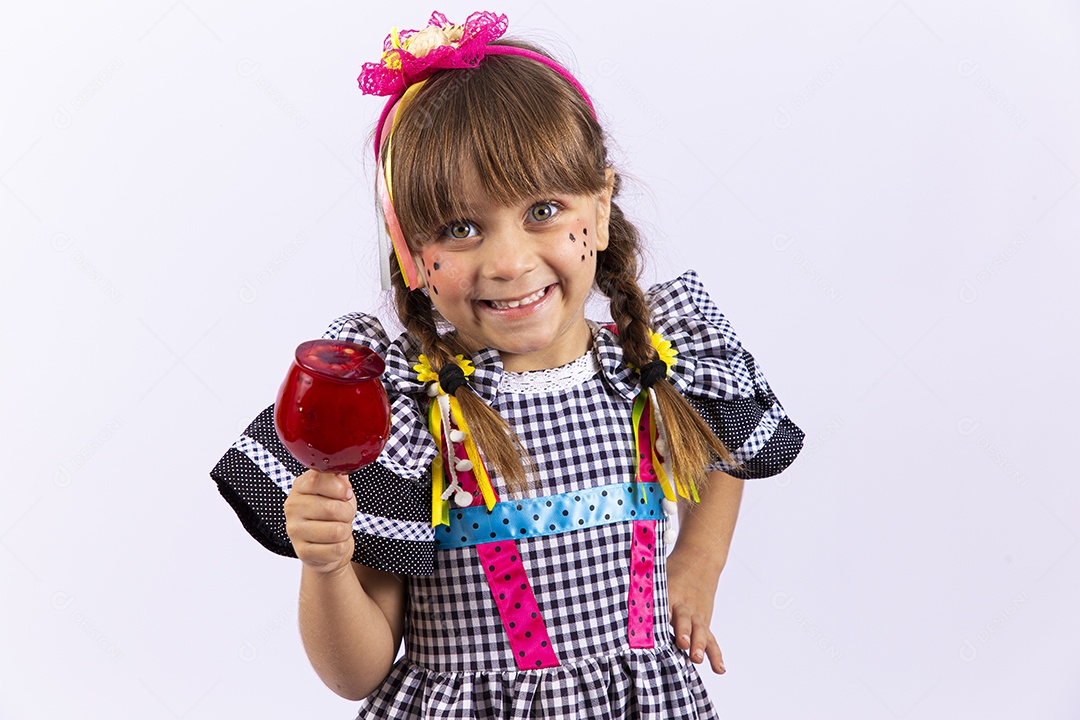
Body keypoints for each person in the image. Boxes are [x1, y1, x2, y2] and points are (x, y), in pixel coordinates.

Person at [211, 11, 804, 719]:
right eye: (460, 229)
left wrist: (700, 559)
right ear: (410, 254)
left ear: (602, 205)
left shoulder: (657, 369)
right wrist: (328, 564)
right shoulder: (411, 413)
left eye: (544, 209)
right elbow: (356, 674)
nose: (509, 262)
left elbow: (718, 447)